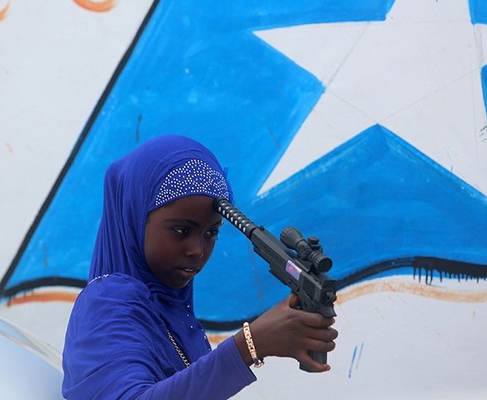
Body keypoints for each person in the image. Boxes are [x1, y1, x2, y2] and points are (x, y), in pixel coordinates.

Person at [62, 135, 337, 399]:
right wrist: (251, 344)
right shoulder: (109, 301)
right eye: (181, 230)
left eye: (211, 233)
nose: (198, 250)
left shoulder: (168, 310)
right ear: (134, 220)